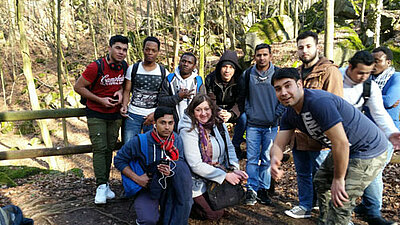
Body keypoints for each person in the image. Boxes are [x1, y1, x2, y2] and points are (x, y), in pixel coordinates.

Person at [270, 68, 400, 225]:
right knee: (321, 181)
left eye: (287, 86)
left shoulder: (318, 103)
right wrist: (274, 161)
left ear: (299, 84)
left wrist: (339, 179)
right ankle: (326, 221)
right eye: (278, 89)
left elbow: (341, 143)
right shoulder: (289, 114)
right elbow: (279, 143)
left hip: (368, 149)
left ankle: (338, 220)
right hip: (346, 147)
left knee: (340, 202)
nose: (283, 92)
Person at [284, 31, 343, 219]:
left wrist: (330, 136)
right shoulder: (297, 73)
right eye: (300, 47)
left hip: (320, 137)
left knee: (323, 176)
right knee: (302, 173)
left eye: (308, 46)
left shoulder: (329, 71)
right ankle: (305, 206)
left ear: (317, 46)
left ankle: (327, 211)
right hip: (299, 135)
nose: (304, 51)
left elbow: (335, 103)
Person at [340, 51, 399, 225]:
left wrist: (391, 132)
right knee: (329, 177)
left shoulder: (370, 86)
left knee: (368, 172)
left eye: (368, 73)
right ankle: (333, 213)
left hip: (360, 135)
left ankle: (370, 213)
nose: (364, 77)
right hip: (330, 133)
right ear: (350, 67)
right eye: (360, 73)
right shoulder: (336, 77)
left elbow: (380, 112)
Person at [114, 106, 192, 225]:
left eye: (170, 123)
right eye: (162, 123)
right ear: (154, 123)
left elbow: (180, 163)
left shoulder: (176, 140)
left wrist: (171, 171)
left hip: (169, 186)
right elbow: (119, 160)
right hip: (147, 186)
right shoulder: (141, 141)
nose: (167, 127)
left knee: (174, 215)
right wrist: (137, 178)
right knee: (148, 220)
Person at [74, 35, 129, 204]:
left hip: (115, 114)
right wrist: (100, 100)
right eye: (118, 48)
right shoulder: (95, 67)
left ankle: (105, 185)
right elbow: (78, 87)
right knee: (100, 148)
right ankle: (100, 186)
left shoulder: (124, 66)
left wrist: (120, 92)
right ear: (110, 48)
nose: (121, 52)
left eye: (125, 50)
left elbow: (123, 85)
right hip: (96, 112)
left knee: (109, 149)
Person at [178, 94, 248, 220]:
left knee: (225, 204)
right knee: (213, 215)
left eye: (206, 109)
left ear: (212, 109)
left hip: (217, 172)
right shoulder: (187, 130)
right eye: (198, 110)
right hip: (195, 180)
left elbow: (230, 148)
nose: (203, 113)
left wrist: (233, 168)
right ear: (192, 111)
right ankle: (187, 204)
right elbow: (195, 165)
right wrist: (225, 176)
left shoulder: (218, 124)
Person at [237, 43, 285, 206]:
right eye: (259, 55)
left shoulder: (278, 73)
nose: (262, 58)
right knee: (251, 159)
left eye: (265, 54)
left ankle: (263, 189)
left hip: (271, 125)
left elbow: (284, 97)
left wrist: (276, 114)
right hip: (253, 125)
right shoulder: (248, 74)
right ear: (254, 56)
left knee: (266, 158)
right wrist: (249, 113)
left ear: (270, 56)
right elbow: (242, 98)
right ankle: (251, 189)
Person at [120, 36, 169, 143]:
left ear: (158, 52)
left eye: (153, 50)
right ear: (143, 50)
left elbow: (165, 96)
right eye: (147, 49)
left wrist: (156, 114)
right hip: (133, 115)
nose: (150, 52)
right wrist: (124, 105)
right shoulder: (133, 68)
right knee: (129, 146)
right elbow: (127, 90)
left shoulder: (163, 72)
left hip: (153, 115)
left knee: (152, 148)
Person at [205, 50, 246, 159]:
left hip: (232, 109)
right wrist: (218, 111)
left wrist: (231, 114)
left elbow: (240, 101)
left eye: (231, 67)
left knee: (244, 118)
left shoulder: (240, 80)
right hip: (215, 108)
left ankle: (235, 146)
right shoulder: (211, 79)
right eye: (224, 67)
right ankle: (214, 148)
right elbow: (210, 99)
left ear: (235, 69)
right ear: (220, 68)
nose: (227, 70)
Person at [159, 52, 206, 129]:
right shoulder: (170, 79)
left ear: (194, 66)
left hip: (192, 124)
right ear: (179, 62)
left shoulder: (198, 82)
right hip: (172, 124)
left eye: (189, 62)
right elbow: (162, 101)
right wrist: (178, 97)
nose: (186, 64)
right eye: (183, 61)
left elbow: (203, 103)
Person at [371, 46, 400, 130]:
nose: (373, 64)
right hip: (370, 128)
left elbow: (389, 101)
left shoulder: (396, 77)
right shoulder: (365, 78)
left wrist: (364, 97)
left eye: (377, 61)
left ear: (388, 62)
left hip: (390, 130)